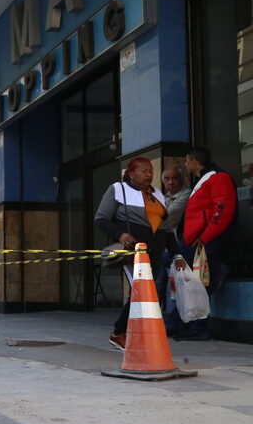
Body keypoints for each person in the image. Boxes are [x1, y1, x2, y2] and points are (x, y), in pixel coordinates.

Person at [95, 157, 182, 352]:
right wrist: (120, 234)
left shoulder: (158, 194)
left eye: (150, 171)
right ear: (131, 173)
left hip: (156, 253)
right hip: (131, 252)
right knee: (140, 292)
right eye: (144, 171)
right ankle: (119, 333)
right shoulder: (118, 189)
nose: (149, 174)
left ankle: (131, 336)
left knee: (148, 294)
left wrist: (177, 255)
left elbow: (167, 229)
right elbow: (101, 218)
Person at [174, 147, 237, 341]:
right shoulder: (205, 179)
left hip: (205, 244)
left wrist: (205, 237)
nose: (185, 165)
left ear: (193, 161)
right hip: (196, 243)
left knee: (200, 285)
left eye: (186, 161)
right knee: (192, 285)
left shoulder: (217, 177)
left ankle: (199, 328)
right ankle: (191, 325)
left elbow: (222, 211)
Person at [157, 166, 191, 313]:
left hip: (177, 249)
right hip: (161, 249)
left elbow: (167, 217)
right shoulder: (163, 198)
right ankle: (152, 320)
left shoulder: (186, 194)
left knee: (172, 288)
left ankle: (171, 324)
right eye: (167, 179)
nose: (171, 182)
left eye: (175, 178)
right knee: (157, 285)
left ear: (181, 179)